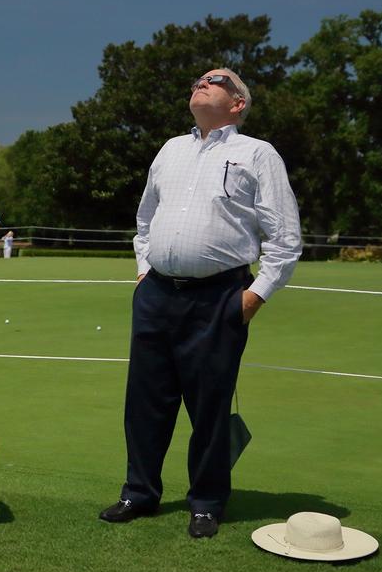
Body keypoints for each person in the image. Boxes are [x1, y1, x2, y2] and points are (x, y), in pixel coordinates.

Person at [99, 69, 302, 539]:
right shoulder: (171, 148)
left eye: (216, 80)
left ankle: (207, 502)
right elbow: (145, 217)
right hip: (155, 293)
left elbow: (285, 239)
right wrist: (143, 270)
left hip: (220, 298)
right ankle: (139, 493)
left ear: (238, 104)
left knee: (210, 406)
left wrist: (254, 297)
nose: (201, 83)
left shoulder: (257, 154)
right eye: (197, 79)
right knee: (145, 402)